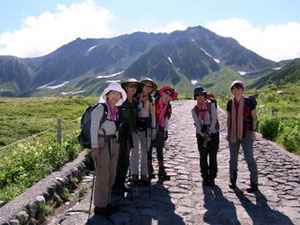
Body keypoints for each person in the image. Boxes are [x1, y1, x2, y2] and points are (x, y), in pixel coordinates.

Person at [90, 82, 127, 216]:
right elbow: (93, 128)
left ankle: (107, 202)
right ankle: (100, 206)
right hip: (102, 143)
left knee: (111, 174)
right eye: (113, 94)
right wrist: (95, 147)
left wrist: (117, 143)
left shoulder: (115, 110)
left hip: (113, 143)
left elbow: (116, 128)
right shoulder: (101, 108)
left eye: (118, 94)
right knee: (102, 175)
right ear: (107, 94)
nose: (116, 97)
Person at [226, 80, 258, 193]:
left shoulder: (249, 102)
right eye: (234, 89)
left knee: (249, 157)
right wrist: (229, 132)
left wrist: (254, 132)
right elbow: (229, 118)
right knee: (233, 158)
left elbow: (254, 118)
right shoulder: (230, 103)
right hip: (233, 133)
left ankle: (254, 182)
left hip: (247, 132)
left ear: (242, 90)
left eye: (238, 89)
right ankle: (232, 180)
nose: (236, 91)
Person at [112, 78, 139, 194]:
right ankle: (116, 185)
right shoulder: (120, 102)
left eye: (135, 86)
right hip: (120, 135)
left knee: (125, 159)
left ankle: (121, 183)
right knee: (120, 160)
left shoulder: (135, 102)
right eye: (131, 86)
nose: (133, 88)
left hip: (130, 135)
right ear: (126, 87)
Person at [130, 78, 157, 185]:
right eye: (145, 85)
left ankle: (144, 173)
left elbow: (153, 115)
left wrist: (154, 128)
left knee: (145, 151)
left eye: (149, 86)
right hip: (136, 126)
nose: (147, 87)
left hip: (147, 127)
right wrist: (139, 102)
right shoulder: (135, 98)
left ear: (151, 90)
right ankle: (134, 173)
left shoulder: (152, 100)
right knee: (135, 150)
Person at [148, 86, 178, 180]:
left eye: (170, 95)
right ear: (162, 93)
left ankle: (161, 169)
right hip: (150, 127)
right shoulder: (154, 102)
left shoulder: (168, 106)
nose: (167, 96)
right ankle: (149, 169)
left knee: (160, 150)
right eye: (166, 93)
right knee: (149, 148)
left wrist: (166, 132)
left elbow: (167, 120)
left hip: (160, 129)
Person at [192, 86, 219, 186]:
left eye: (202, 95)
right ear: (195, 97)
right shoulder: (194, 110)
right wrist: (204, 135)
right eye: (197, 95)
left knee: (213, 155)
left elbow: (214, 119)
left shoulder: (211, 106)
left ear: (204, 95)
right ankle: (204, 177)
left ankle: (212, 177)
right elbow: (197, 125)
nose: (200, 97)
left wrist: (210, 133)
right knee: (203, 156)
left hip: (213, 133)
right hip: (201, 134)